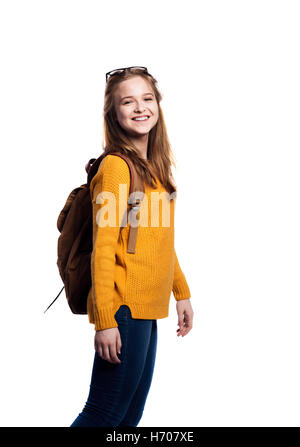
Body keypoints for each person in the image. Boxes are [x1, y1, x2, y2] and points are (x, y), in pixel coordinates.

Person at [70, 66, 193, 427]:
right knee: (103, 413)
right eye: (128, 101)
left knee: (127, 419)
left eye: (147, 98)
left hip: (147, 309)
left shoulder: (154, 169)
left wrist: (181, 292)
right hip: (123, 308)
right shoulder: (116, 169)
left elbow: (161, 241)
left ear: (157, 105)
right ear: (114, 113)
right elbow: (103, 250)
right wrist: (105, 320)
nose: (140, 108)